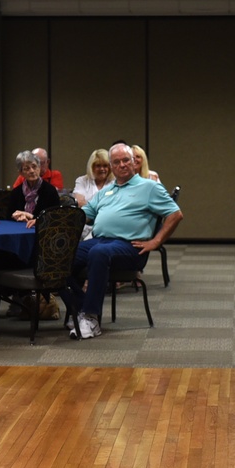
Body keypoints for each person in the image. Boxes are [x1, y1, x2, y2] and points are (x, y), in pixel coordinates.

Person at [67, 143, 182, 340]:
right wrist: (49, 220)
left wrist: (156, 241)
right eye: (117, 162)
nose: (122, 165)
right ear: (112, 166)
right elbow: (83, 215)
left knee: (98, 253)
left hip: (130, 246)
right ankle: (80, 308)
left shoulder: (149, 187)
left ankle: (91, 317)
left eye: (126, 160)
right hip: (100, 241)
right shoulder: (107, 190)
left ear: (134, 162)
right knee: (59, 258)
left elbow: (175, 214)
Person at [8, 150, 59, 225]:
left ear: (39, 168)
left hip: (41, 231)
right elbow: (9, 217)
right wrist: (17, 217)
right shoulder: (16, 193)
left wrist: (32, 217)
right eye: (27, 168)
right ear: (21, 173)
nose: (32, 171)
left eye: (34, 167)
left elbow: (55, 218)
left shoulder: (50, 191)